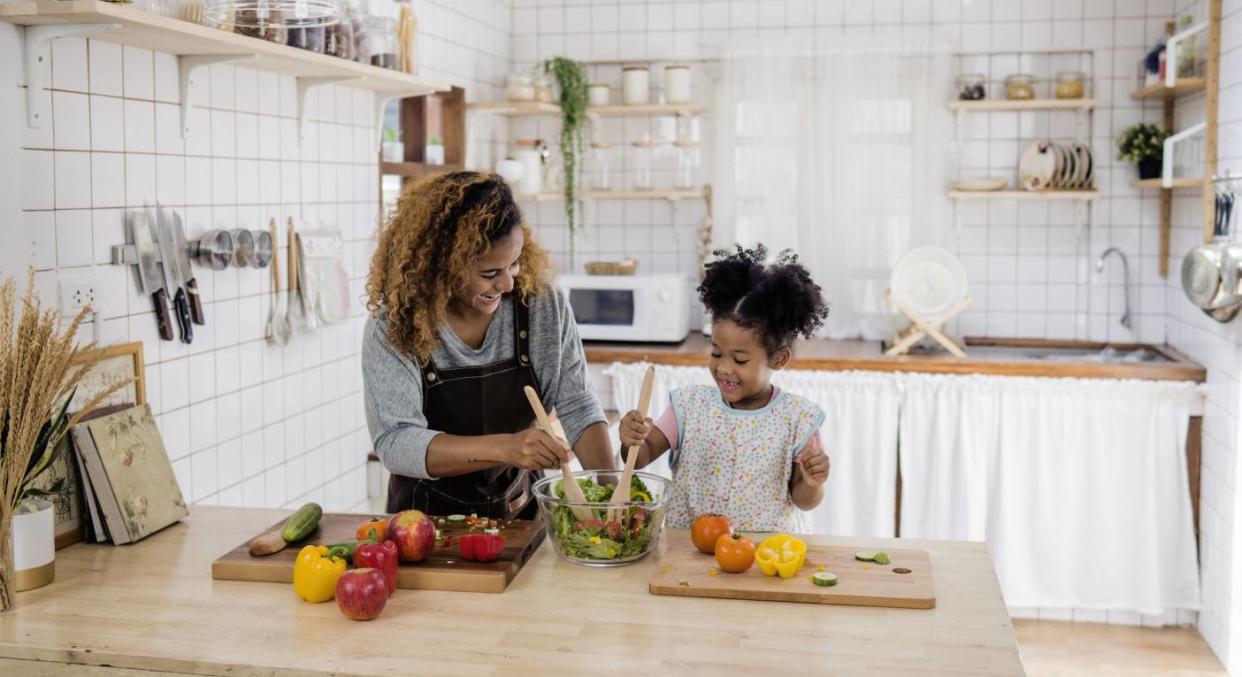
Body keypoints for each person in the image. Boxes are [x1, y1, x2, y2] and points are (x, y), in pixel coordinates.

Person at [362, 171, 615, 518]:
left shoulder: (540, 304)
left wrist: (614, 493)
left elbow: (577, 405)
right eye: (490, 273)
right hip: (423, 522)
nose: (509, 283)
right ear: (441, 266)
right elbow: (396, 442)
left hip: (519, 510)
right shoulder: (396, 325)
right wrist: (506, 447)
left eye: (514, 263)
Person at [618, 245, 831, 532]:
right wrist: (631, 438)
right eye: (716, 353)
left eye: (740, 359)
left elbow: (804, 500)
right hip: (691, 552)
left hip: (764, 557)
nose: (724, 368)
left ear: (778, 359)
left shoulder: (798, 418)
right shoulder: (689, 406)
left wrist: (813, 482)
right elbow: (640, 456)